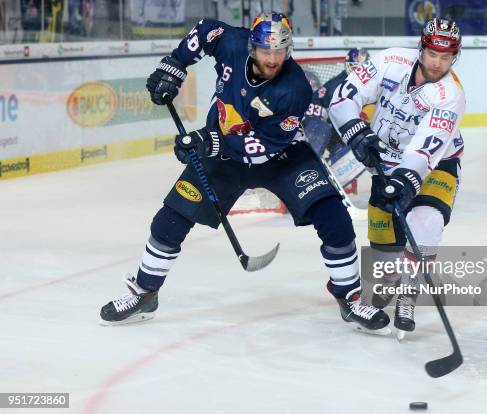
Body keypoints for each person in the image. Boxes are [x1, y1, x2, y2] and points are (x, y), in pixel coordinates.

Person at [99, 12, 389, 334]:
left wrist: (207, 141)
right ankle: (145, 292)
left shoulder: (294, 89)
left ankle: (348, 295)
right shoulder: (233, 43)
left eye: (280, 51)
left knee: (333, 216)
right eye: (267, 51)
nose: (273, 58)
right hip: (224, 156)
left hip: (283, 155)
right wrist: (176, 64)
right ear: (252, 47)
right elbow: (206, 29)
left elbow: (263, 144)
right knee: (171, 218)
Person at [329, 18, 465, 340]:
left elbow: (423, 151)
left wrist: (405, 179)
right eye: (433, 54)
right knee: (385, 251)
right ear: (422, 48)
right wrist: (355, 131)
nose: (438, 63)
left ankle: (408, 296)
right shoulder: (391, 60)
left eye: (446, 57)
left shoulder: (451, 95)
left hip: (437, 164)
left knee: (426, 222)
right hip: (384, 162)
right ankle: (390, 280)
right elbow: (343, 98)